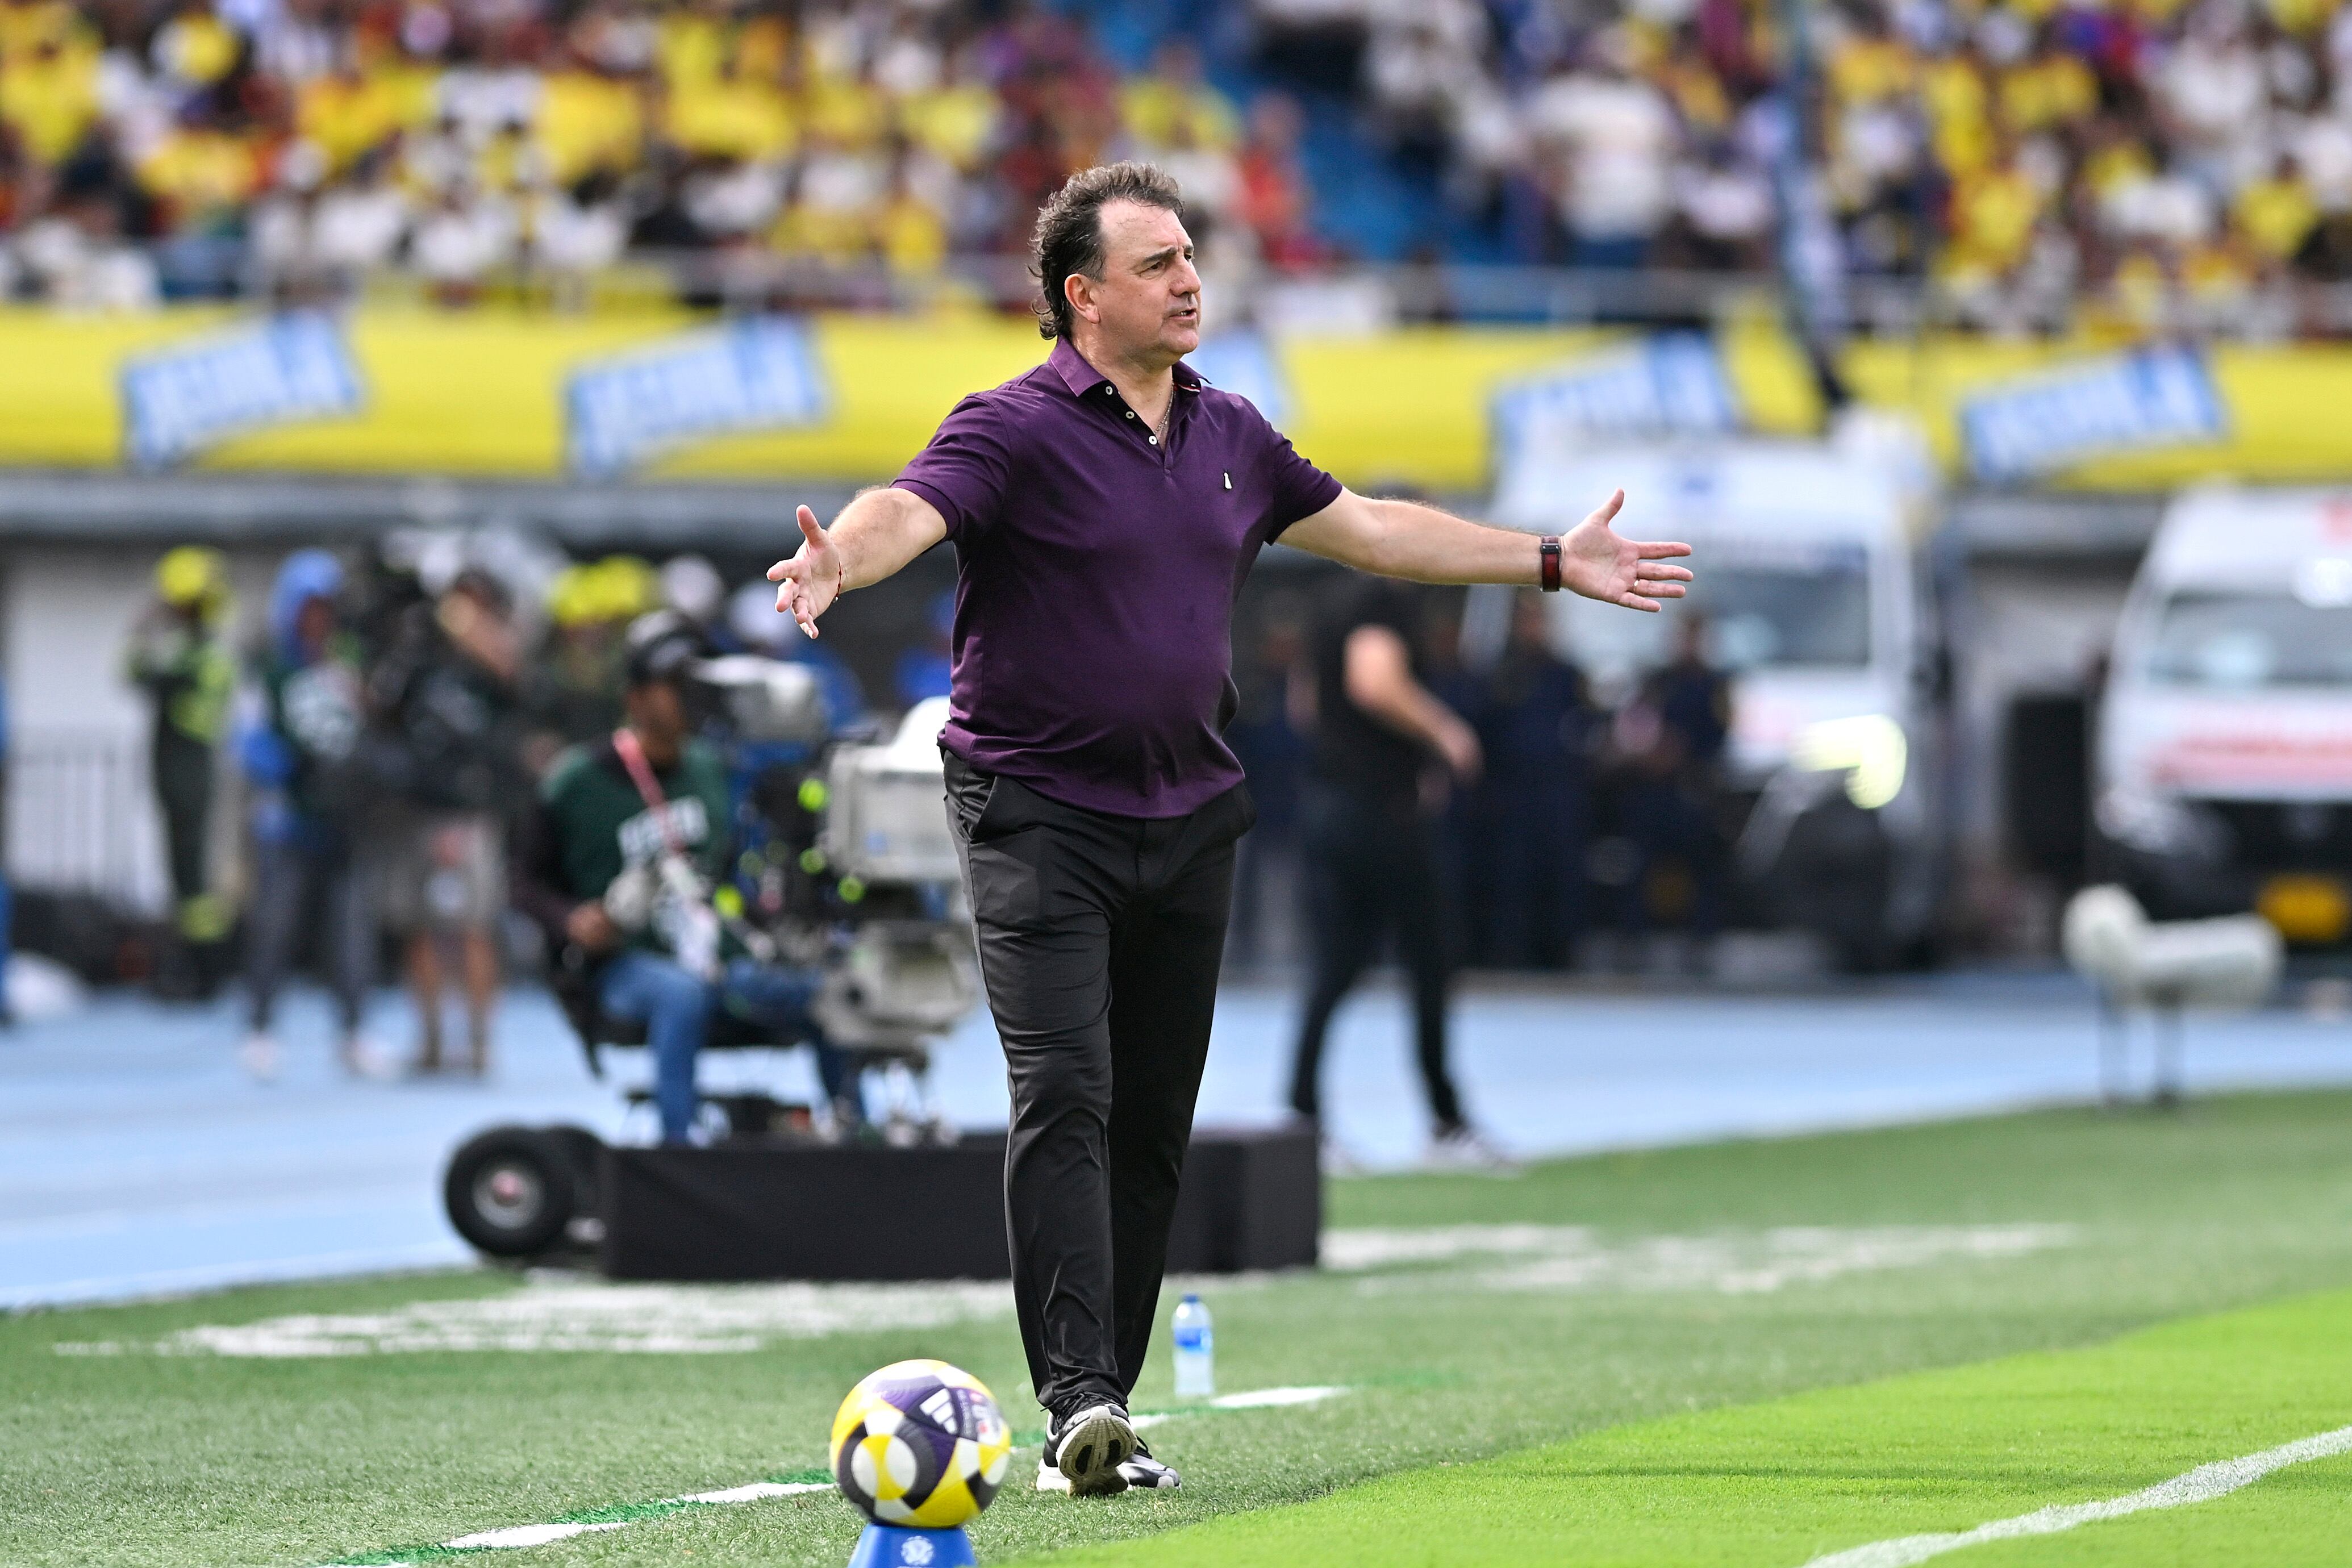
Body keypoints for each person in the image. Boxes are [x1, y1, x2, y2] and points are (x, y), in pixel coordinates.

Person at [767, 161, 1692, 1499]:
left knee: (1151, 1125)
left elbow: (1372, 531)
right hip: (1034, 812)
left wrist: (1547, 559)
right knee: (1065, 1090)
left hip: (1189, 816)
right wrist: (838, 558)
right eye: (1156, 264)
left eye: (1191, 256)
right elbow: (905, 507)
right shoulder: (1011, 426)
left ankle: (1109, 1408)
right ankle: (1073, 1394)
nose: (1189, 278)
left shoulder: (1234, 434)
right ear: (1081, 296)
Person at [510, 613, 861, 1144]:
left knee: (829, 993)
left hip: (715, 953)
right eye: (674, 686)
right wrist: (570, 921)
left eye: (695, 685)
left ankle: (857, 1132)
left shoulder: (711, 768)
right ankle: (680, 1147)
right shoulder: (577, 780)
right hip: (621, 962)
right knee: (681, 994)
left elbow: (738, 867)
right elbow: (521, 881)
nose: (688, 699)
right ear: (635, 697)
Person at [1287, 574, 1508, 1170]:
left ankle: (1303, 1120)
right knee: (1431, 956)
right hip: (1381, 810)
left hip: (1330, 800)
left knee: (1336, 963)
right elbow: (1374, 680)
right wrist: (1443, 733)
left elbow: (1305, 703)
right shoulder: (1379, 599)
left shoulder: (1328, 600)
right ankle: (1445, 1122)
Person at [239, 551, 394, 1083]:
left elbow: (369, 730)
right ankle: (260, 1030)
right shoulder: (273, 669)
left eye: (327, 607)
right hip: (288, 820)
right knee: (275, 928)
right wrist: (292, 769)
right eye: (311, 607)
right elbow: (250, 741)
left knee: (350, 932)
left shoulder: (347, 662)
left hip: (343, 819)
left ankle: (353, 1033)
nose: (320, 618)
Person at [369, 568, 520, 1077]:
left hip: (471, 808)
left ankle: (479, 1043)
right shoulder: (422, 656)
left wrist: (473, 634)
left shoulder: (488, 657)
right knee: (419, 927)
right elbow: (382, 705)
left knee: (473, 926)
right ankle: (431, 1043)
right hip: (419, 807)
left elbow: (516, 678)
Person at [123, 545, 237, 998]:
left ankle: (207, 970)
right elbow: (132, 674)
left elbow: (188, 707)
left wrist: (160, 671)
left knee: (195, 876)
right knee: (178, 871)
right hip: (170, 769)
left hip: (192, 768)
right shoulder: (180, 651)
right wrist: (144, 634)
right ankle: (188, 963)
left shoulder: (210, 655)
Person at [1611, 613, 1732, 964]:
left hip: (1694, 790)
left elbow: (1720, 738)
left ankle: (1702, 944)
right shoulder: (1658, 681)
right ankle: (1634, 943)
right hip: (1653, 790)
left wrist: (1684, 754)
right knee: (1639, 862)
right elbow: (1634, 727)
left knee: (1703, 869)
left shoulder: (1714, 684)